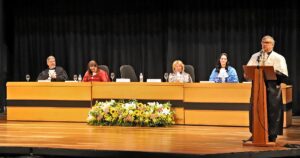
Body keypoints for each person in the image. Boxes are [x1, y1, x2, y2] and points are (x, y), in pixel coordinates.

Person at [245, 35, 289, 142]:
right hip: (257, 88)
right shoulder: (255, 56)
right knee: (256, 110)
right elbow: (248, 72)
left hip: (272, 89)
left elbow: (283, 74)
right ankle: (256, 133)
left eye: (267, 42)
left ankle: (272, 135)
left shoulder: (279, 57)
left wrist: (271, 71)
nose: (265, 44)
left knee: (272, 112)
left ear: (272, 45)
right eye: (263, 42)